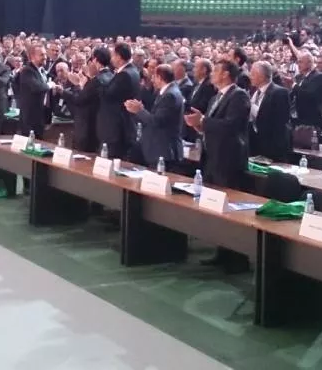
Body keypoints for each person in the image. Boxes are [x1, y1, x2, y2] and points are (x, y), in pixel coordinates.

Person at [184, 59, 251, 273]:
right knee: (216, 207)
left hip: (229, 158)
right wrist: (199, 126)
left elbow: (231, 125)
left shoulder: (239, 96)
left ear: (226, 74)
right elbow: (213, 126)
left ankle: (237, 258)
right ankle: (222, 252)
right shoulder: (215, 97)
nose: (212, 74)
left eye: (216, 71)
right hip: (213, 157)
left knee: (230, 208)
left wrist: (203, 121)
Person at [124, 64, 183, 168]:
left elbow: (157, 121)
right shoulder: (166, 92)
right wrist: (141, 110)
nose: (152, 80)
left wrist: (139, 110)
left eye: (154, 77)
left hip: (163, 149)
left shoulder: (170, 95)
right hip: (157, 148)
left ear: (159, 77)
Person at [56, 48, 106, 152]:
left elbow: (80, 98)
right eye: (76, 63)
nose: (79, 65)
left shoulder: (94, 78)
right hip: (76, 117)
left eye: (82, 62)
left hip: (87, 122)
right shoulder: (71, 75)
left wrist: (77, 85)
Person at [98, 43, 141, 158]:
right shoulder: (132, 70)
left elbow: (108, 95)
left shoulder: (125, 75)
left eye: (113, 55)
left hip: (116, 129)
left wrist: (93, 79)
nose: (111, 59)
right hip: (121, 127)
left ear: (119, 56)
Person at [247, 60, 292, 162]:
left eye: (253, 73)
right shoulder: (254, 91)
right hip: (255, 144)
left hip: (272, 147)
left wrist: (255, 111)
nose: (250, 76)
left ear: (262, 76)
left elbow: (281, 121)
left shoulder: (280, 92)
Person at [12, 43, 49, 137]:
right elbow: (37, 87)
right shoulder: (27, 71)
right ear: (32, 56)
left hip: (40, 115)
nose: (45, 57)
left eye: (45, 54)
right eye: (42, 55)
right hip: (30, 117)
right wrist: (50, 85)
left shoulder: (41, 70)